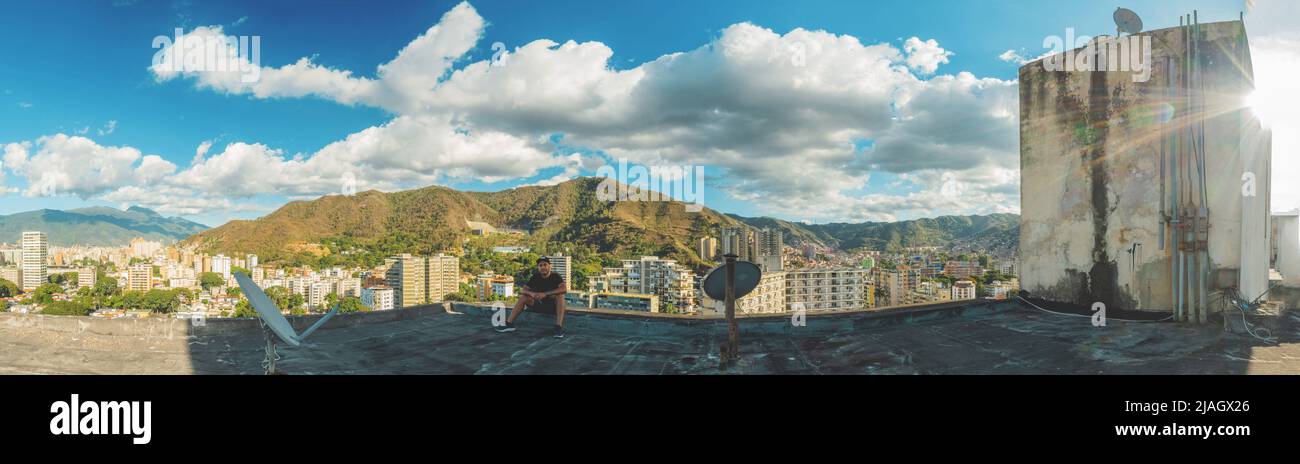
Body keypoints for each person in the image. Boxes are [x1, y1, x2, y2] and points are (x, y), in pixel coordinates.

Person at [496, 256, 567, 337]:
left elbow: (564, 289)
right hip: (538, 304)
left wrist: (545, 294)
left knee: (560, 296)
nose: (543, 267)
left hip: (553, 307)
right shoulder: (535, 277)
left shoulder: (556, 276)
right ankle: (509, 324)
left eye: (545, 265)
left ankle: (558, 327)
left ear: (550, 266)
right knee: (524, 297)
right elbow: (523, 290)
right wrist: (532, 294)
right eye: (540, 265)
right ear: (538, 267)